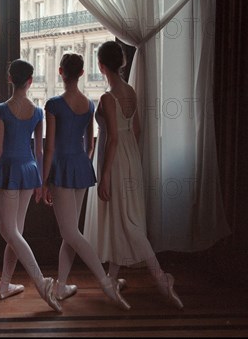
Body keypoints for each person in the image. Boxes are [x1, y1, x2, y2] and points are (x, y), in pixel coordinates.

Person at [83, 40, 184, 310]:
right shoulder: (130, 92)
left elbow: (112, 138)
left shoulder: (107, 97)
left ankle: (160, 278)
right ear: (122, 63)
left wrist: (104, 175)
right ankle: (112, 279)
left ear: (101, 66)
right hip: (130, 159)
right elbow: (135, 131)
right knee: (125, 217)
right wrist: (129, 160)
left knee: (128, 222)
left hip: (114, 161)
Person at [41, 53, 130, 310]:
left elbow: (49, 148)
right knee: (70, 233)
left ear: (60, 72)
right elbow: (90, 142)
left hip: (62, 166)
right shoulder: (88, 104)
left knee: (69, 232)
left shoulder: (54, 104)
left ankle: (105, 283)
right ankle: (61, 287)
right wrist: (82, 161)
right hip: (80, 165)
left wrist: (45, 179)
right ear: (81, 73)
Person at [0, 59, 62, 313]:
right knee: (15, 232)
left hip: (9, 169)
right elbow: (39, 149)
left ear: (9, 79)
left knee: (10, 232)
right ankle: (4, 285)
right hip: (28, 170)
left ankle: (41, 281)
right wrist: (40, 179)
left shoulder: (1, 109)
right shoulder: (37, 112)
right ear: (30, 81)